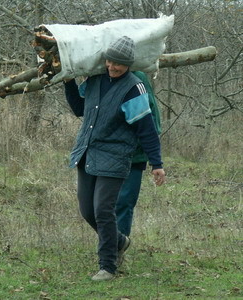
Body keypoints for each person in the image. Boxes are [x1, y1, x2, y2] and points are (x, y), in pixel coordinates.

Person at [63, 36, 165, 281]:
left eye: (118, 63)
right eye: (110, 61)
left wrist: (156, 164)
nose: (112, 66)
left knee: (103, 210)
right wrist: (68, 81)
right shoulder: (95, 79)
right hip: (87, 152)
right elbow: (79, 108)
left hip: (116, 155)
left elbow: (146, 128)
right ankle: (119, 241)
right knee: (87, 210)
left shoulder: (133, 87)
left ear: (128, 65)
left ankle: (107, 266)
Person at [116, 71, 161, 237]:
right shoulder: (99, 77)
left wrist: (154, 159)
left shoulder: (137, 78)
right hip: (106, 154)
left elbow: (151, 121)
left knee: (123, 202)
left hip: (134, 154)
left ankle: (117, 248)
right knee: (100, 205)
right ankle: (109, 246)